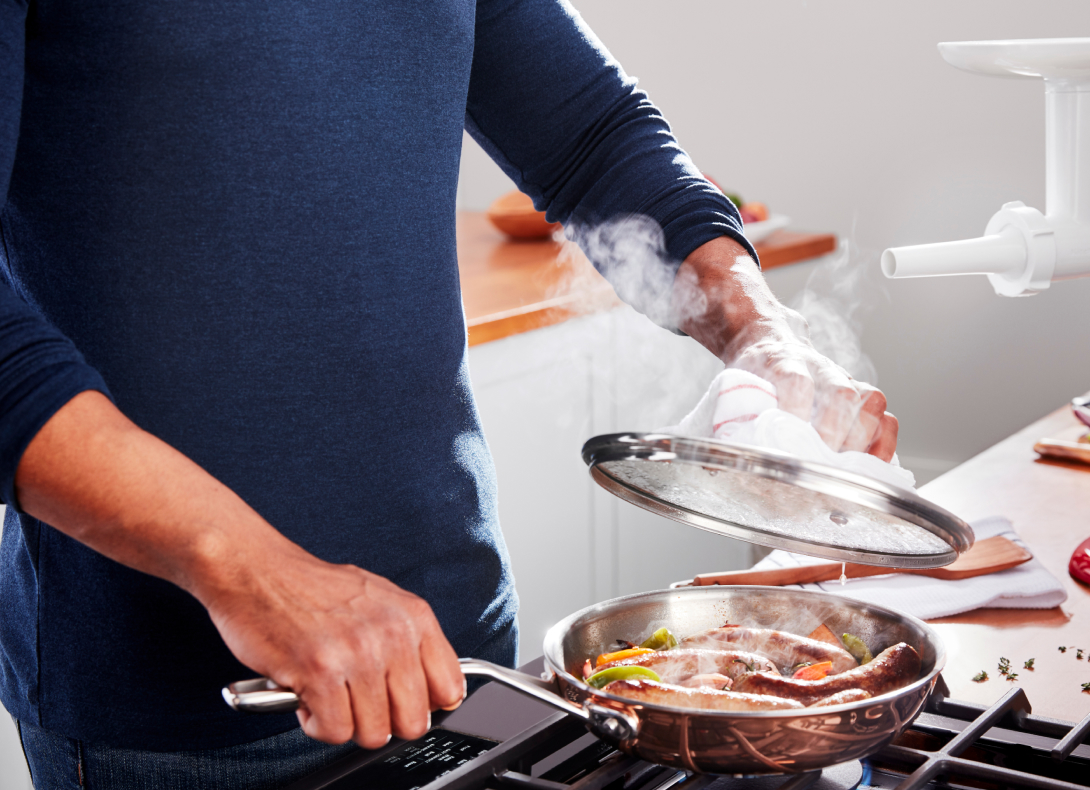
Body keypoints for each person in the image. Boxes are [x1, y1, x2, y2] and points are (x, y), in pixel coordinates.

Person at [0, 1, 897, 788]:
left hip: (462, 658)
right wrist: (254, 572)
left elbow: (595, 141)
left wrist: (763, 338)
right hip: (192, 709)